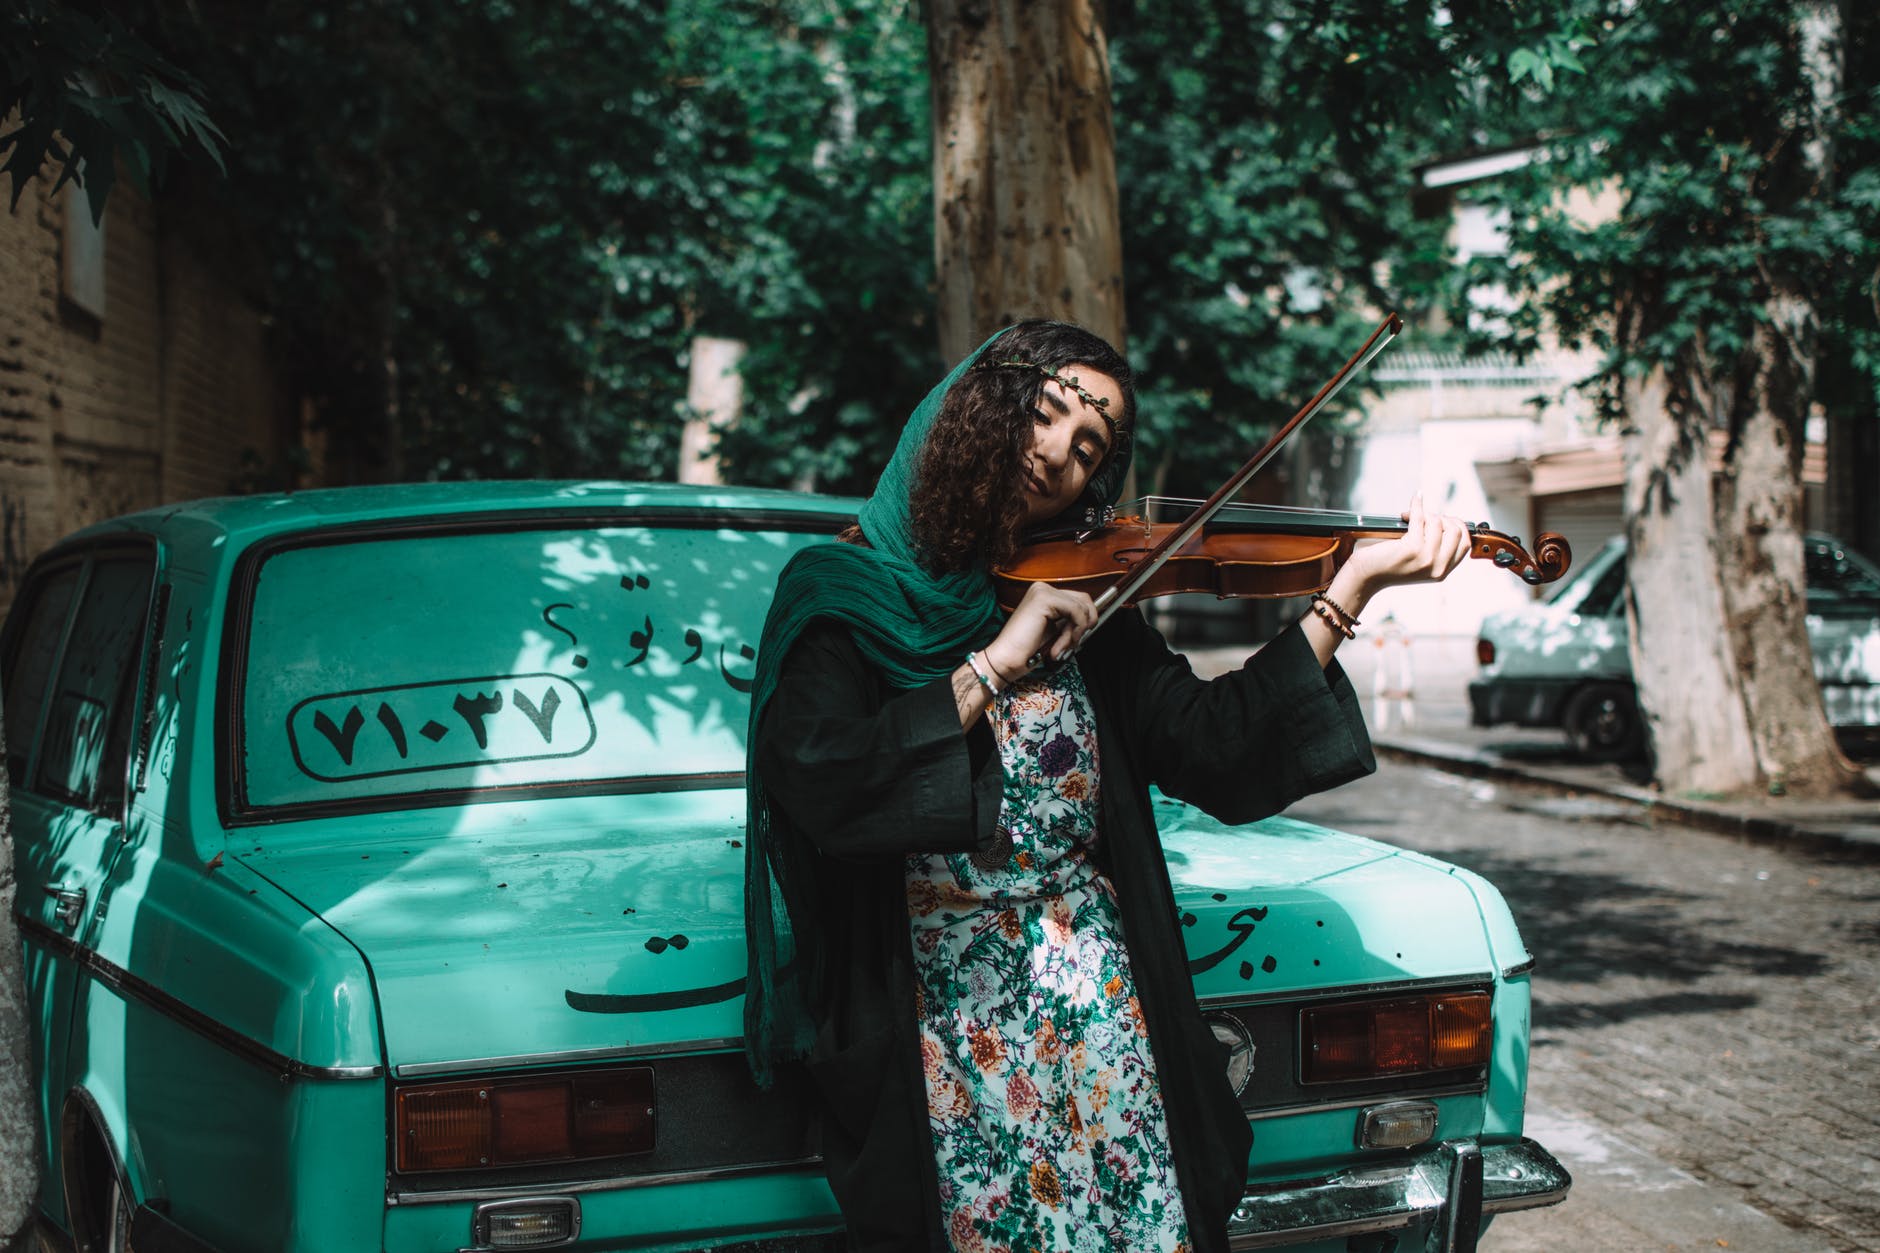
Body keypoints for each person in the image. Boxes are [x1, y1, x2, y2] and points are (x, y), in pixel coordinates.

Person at [742, 320, 1470, 1253]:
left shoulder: (1093, 606)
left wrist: (1349, 589)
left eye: (1089, 448)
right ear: (979, 410)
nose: (1060, 455)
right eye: (1046, 414)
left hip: (1103, 1018)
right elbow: (823, 780)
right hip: (937, 1034)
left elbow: (1216, 746)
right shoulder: (843, 596)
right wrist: (994, 666)